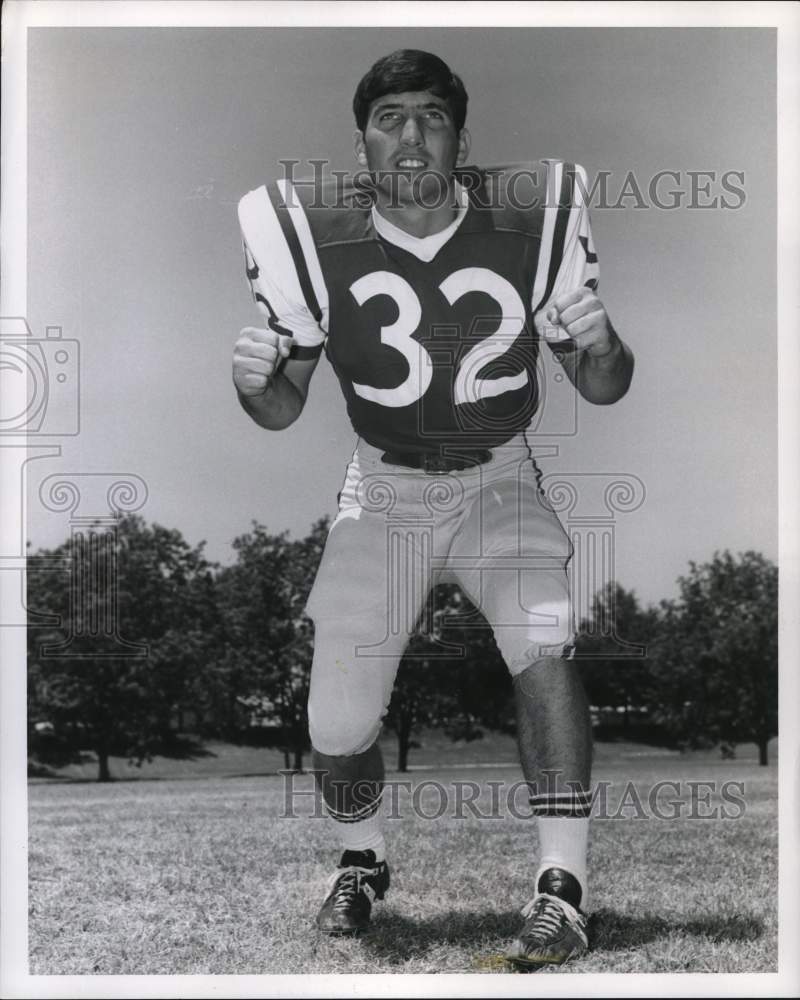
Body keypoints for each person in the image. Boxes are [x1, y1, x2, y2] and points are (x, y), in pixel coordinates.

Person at [233, 49, 634, 968]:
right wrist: (253, 384)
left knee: (544, 640)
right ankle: (364, 862)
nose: (410, 136)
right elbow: (282, 406)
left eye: (431, 117)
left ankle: (561, 892)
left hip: (500, 474)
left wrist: (607, 347)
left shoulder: (534, 218)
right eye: (389, 118)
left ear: (459, 134)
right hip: (382, 482)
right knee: (335, 725)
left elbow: (604, 385)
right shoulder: (303, 232)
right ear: (362, 139)